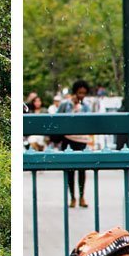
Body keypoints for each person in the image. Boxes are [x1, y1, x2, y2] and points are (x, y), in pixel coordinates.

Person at [55, 80, 98, 208]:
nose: (81, 95)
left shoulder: (86, 105)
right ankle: (72, 197)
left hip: (81, 140)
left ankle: (81, 196)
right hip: (68, 139)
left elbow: (88, 120)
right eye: (79, 92)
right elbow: (58, 118)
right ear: (75, 92)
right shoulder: (65, 104)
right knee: (70, 170)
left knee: (82, 170)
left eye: (84, 93)